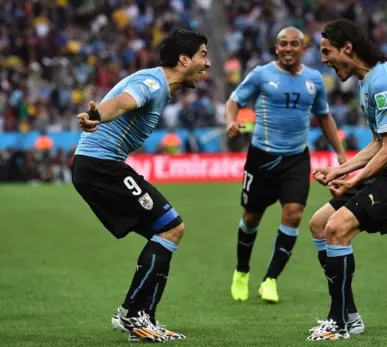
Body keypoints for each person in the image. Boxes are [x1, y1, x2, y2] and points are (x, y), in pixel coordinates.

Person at [72, 29, 211, 343]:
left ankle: (143, 318)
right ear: (184, 59)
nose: (209, 63)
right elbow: (121, 104)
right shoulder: (152, 83)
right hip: (100, 166)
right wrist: (97, 115)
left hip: (99, 166)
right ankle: (133, 313)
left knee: (166, 234)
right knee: (171, 228)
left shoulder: (158, 85)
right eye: (203, 54)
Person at [306, 19, 387, 341]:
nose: (323, 60)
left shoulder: (383, 82)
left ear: (347, 48)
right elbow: (378, 142)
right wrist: (339, 171)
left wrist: (352, 180)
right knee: (320, 223)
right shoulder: (367, 81)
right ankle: (348, 314)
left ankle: (339, 323)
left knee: (337, 228)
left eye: (326, 51)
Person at [226, 27, 347, 303]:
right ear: (276, 48)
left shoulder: (314, 80)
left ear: (304, 48)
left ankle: (270, 279)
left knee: (293, 214)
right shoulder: (262, 74)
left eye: (295, 44)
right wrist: (230, 122)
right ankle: (242, 271)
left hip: (296, 158)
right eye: (283, 44)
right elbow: (234, 101)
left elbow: (325, 117)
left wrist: (340, 154)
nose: (289, 48)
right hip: (262, 158)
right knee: (251, 218)